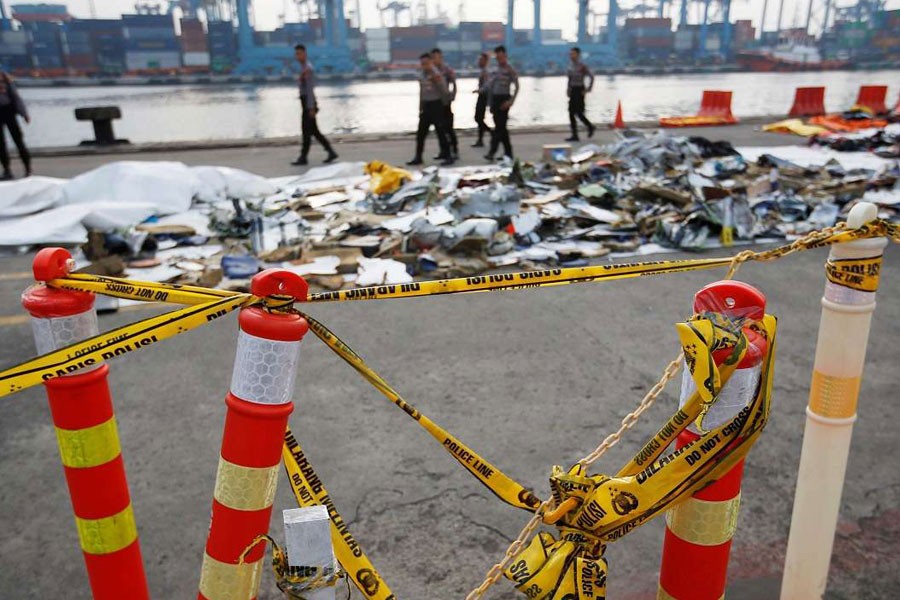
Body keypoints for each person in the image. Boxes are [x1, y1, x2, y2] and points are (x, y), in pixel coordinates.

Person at [291, 44, 338, 166]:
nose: (297, 56)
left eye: (299, 53)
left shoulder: (308, 69)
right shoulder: (304, 68)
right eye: (296, 54)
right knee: (313, 131)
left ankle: (303, 157)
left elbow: (310, 89)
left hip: (308, 103)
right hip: (306, 103)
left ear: (305, 54)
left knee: (307, 131)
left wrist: (311, 107)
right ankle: (330, 152)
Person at [407, 52, 453, 167]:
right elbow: (422, 92)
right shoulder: (421, 75)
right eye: (422, 64)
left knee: (441, 132)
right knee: (421, 134)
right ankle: (418, 157)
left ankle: (448, 156)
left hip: (437, 105)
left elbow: (444, 91)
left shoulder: (437, 74)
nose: (425, 66)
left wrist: (436, 82)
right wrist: (420, 108)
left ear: (431, 62)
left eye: (426, 63)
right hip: (426, 106)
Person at [484, 46, 518, 161]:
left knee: (499, 128)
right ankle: (508, 153)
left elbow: (517, 86)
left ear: (505, 56)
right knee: (501, 128)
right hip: (495, 99)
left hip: (504, 99)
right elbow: (489, 85)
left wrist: (511, 101)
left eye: (502, 57)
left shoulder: (510, 69)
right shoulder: (494, 70)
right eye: (498, 57)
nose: (500, 59)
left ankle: (491, 152)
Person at [0, 70, 31, 180]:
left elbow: (17, 99)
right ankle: (7, 170)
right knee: (1, 145)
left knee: (18, 141)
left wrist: (24, 114)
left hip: (8, 112)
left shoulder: (8, 84)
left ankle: (27, 169)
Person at [430, 47, 458, 160]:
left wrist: (453, 96)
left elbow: (454, 83)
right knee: (439, 128)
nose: (434, 60)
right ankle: (443, 151)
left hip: (445, 101)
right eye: (432, 58)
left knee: (448, 127)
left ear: (440, 57)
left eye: (436, 57)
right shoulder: (431, 71)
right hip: (436, 102)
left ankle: (454, 149)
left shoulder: (446, 69)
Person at [565, 47, 595, 142]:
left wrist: (588, 89)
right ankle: (574, 135)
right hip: (573, 89)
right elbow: (569, 79)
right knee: (571, 112)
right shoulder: (570, 66)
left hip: (580, 90)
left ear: (578, 55)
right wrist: (568, 89)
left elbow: (591, 76)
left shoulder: (582, 66)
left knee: (579, 113)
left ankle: (590, 126)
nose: (571, 56)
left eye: (573, 54)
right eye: (570, 54)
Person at [471, 52, 492, 148]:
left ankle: (492, 133)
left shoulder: (486, 71)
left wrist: (480, 90)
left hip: (484, 96)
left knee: (478, 118)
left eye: (481, 60)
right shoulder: (483, 71)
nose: (479, 62)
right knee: (479, 118)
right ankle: (480, 140)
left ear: (485, 61)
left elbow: (488, 84)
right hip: (482, 96)